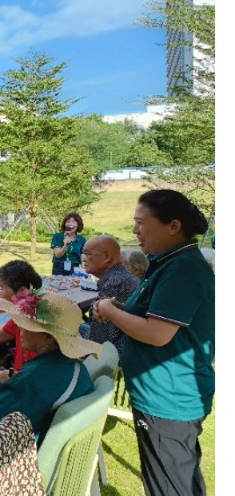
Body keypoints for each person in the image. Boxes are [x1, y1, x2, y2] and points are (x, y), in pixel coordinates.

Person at [93, 190, 214, 496]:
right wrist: (120, 309)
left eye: (140, 222)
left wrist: (108, 310)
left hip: (167, 398)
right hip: (163, 394)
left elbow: (158, 333)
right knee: (180, 480)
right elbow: (157, 316)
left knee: (169, 487)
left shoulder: (182, 268)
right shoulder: (168, 262)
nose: (134, 230)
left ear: (173, 226)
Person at [0, 292, 99, 443]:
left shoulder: (33, 381)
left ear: (49, 337)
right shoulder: (74, 366)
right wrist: (12, 375)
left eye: (26, 325)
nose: (20, 329)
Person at [80, 235, 139, 354]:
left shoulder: (115, 284)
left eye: (87, 254)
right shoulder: (120, 276)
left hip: (118, 353)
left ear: (106, 257)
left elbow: (101, 338)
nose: (84, 259)